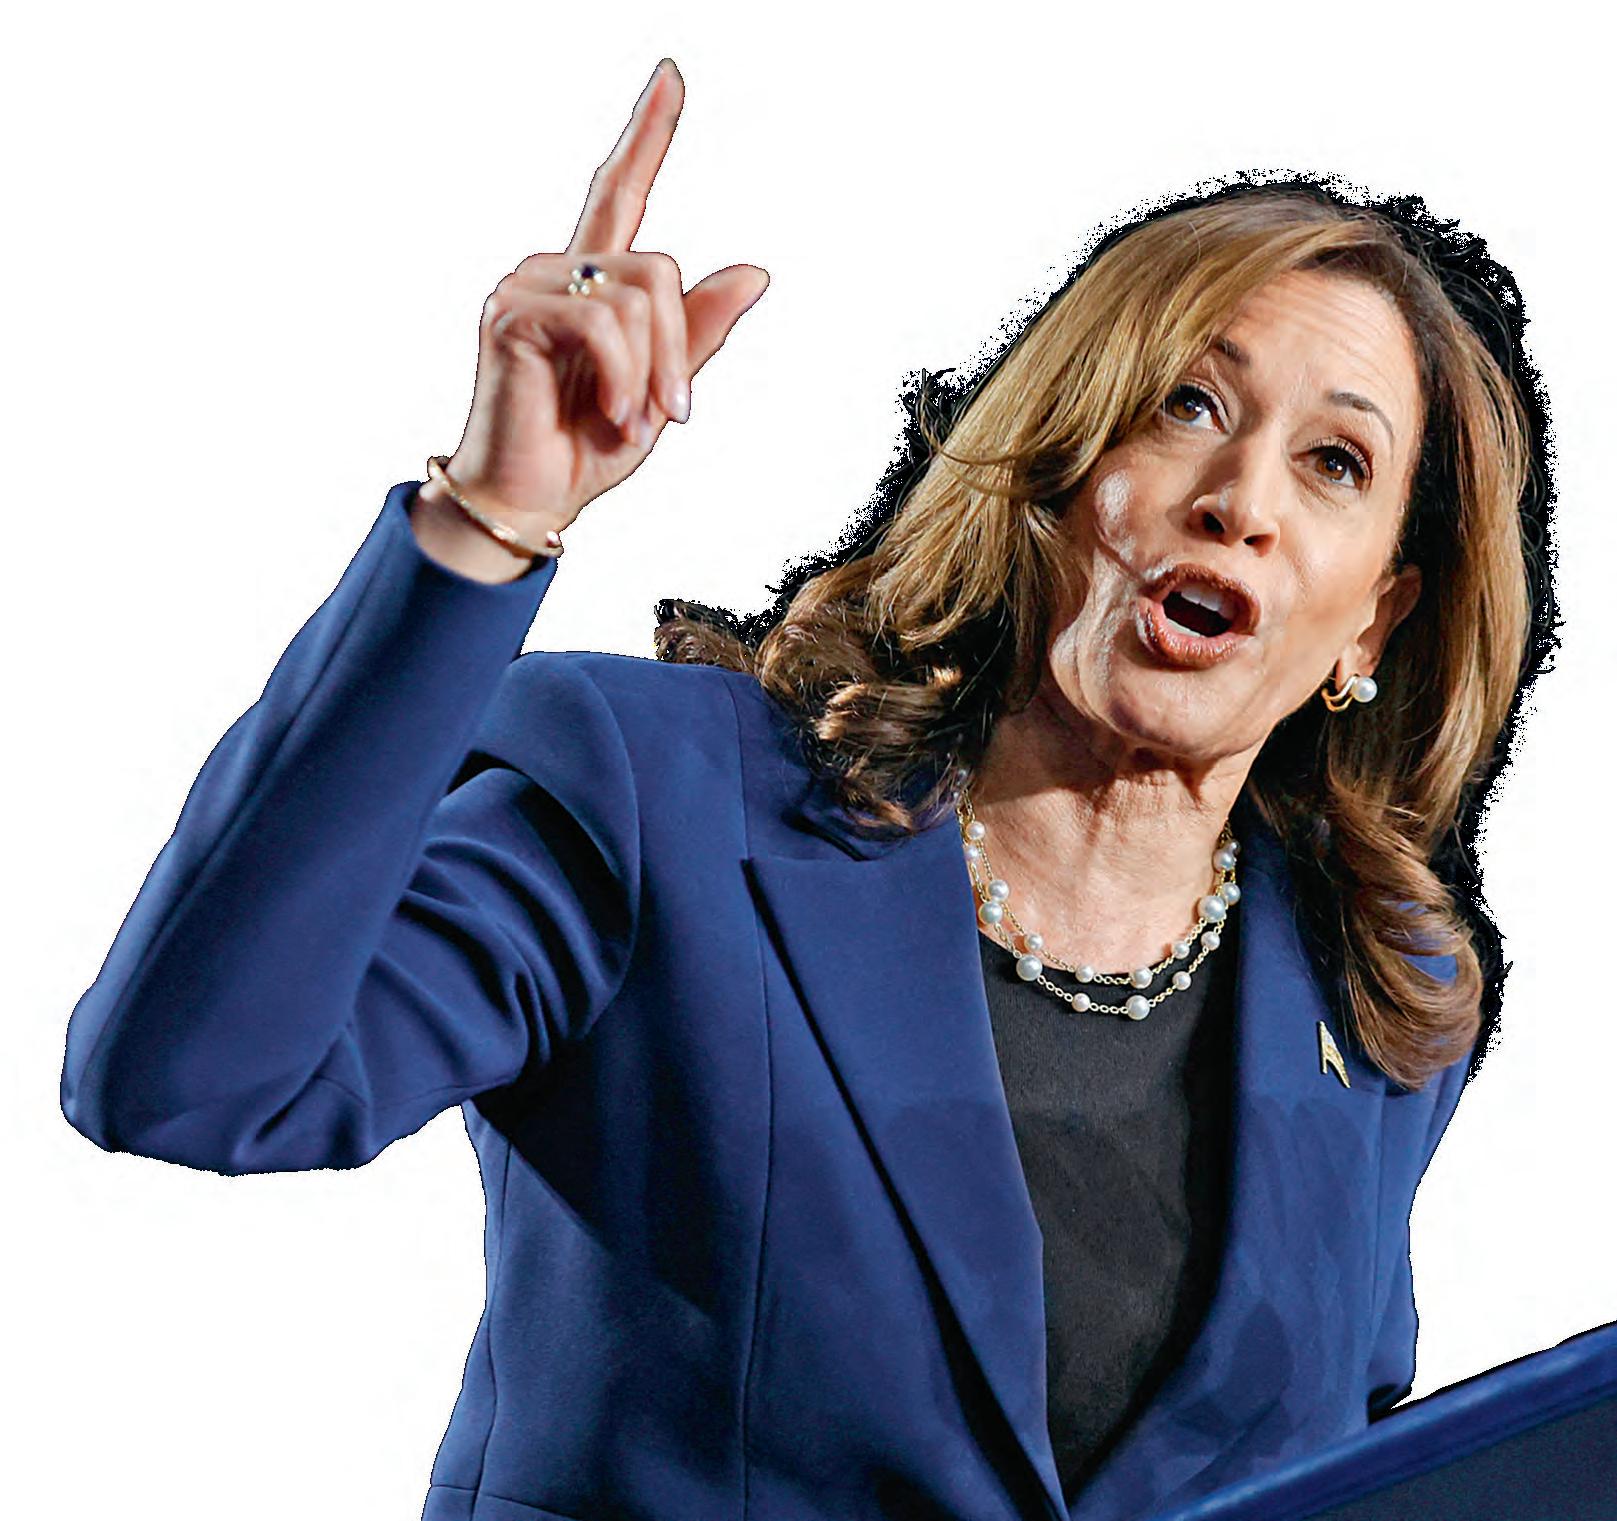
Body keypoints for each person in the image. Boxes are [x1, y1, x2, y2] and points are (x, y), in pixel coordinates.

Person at [58, 55, 1554, 1521]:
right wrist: (487, 523)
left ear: (1374, 622)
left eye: (1335, 464)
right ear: (1056, 457)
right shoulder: (655, 800)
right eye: (1185, 404)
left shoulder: (1378, 1003)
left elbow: (1331, 1461)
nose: (1240, 502)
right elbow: (195, 1081)